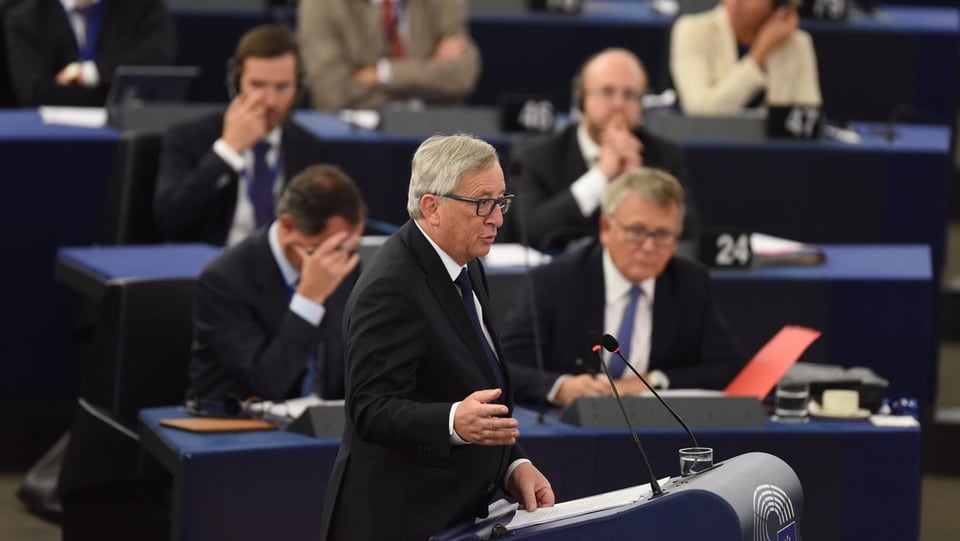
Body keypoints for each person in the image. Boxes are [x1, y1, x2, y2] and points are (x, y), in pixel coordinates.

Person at [320, 134, 554, 541]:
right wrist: (452, 421)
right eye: (483, 203)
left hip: (454, 513)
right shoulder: (390, 287)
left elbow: (473, 385)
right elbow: (370, 409)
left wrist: (514, 465)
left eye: (501, 202)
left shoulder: (463, 258)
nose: (497, 218)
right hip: (397, 522)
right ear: (432, 207)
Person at [501, 167, 747, 407]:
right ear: (606, 229)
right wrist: (561, 386)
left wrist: (652, 381)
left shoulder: (688, 282)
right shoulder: (555, 281)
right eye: (637, 231)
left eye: (662, 234)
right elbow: (506, 366)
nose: (649, 247)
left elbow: (729, 365)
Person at [188, 165, 365, 403]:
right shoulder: (223, 281)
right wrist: (309, 299)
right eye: (328, 249)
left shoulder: (344, 263)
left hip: (325, 426)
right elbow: (267, 383)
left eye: (348, 247)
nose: (340, 260)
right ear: (288, 227)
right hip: (241, 426)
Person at [505, 47, 698, 252]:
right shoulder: (538, 155)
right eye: (607, 92)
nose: (619, 104)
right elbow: (531, 231)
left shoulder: (665, 154)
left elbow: (688, 231)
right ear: (581, 99)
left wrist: (639, 182)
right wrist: (601, 175)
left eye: (630, 95)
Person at [154, 24, 326, 246]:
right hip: (207, 269)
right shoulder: (189, 137)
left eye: (282, 87)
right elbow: (170, 220)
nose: (270, 101)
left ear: (298, 89)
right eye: (258, 85)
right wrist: (226, 151)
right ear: (236, 82)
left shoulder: (308, 147)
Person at [297, 0, 481, 110]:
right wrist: (427, 76)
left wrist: (382, 74)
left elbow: (461, 77)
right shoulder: (322, 4)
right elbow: (332, 95)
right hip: (357, 136)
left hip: (435, 132)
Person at [3, 0, 175, 107]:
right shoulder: (25, 16)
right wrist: (113, 97)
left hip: (127, 131)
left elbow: (156, 59)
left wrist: (90, 73)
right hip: (51, 134)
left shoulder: (143, 6)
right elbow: (37, 93)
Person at [670, 0, 821, 115]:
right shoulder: (692, 31)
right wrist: (758, 55)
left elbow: (808, 117)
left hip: (778, 155)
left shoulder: (797, 44)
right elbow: (701, 112)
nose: (737, 2)